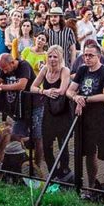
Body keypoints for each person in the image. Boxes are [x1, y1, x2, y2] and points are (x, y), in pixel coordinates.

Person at [67, 44, 104, 199]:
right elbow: (70, 90)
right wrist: (76, 97)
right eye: (85, 55)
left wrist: (85, 99)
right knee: (89, 153)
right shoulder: (82, 70)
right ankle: (91, 186)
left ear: (99, 56)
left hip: (101, 118)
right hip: (84, 118)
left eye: (91, 55)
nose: (87, 58)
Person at [32, 45, 73, 181]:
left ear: (60, 57)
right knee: (46, 144)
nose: (52, 59)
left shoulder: (64, 70)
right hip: (48, 111)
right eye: (50, 56)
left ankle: (64, 170)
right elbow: (33, 87)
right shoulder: (44, 69)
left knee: (63, 144)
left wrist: (50, 91)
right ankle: (52, 171)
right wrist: (44, 91)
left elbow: (62, 90)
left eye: (55, 56)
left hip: (62, 111)